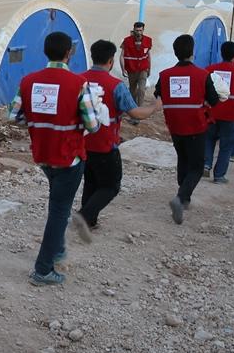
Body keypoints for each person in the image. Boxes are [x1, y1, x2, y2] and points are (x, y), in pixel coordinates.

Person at [19, 31, 100, 286]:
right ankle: (43, 269)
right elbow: (92, 124)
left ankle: (58, 250)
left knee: (57, 206)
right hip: (69, 157)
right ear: (69, 53)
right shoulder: (78, 83)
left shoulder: (28, 81)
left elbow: (14, 114)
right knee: (58, 211)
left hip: (43, 154)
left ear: (46, 51)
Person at [77, 39, 160, 231]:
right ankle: (84, 216)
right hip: (105, 143)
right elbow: (135, 113)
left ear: (92, 56)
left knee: (91, 181)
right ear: (111, 61)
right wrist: (154, 108)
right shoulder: (116, 85)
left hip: (82, 142)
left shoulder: (78, 80)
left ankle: (90, 221)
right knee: (110, 186)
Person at [157, 34, 221, 224]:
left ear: (175, 53)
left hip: (175, 126)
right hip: (196, 126)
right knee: (197, 166)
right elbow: (214, 100)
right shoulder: (203, 75)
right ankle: (180, 197)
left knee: (183, 159)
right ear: (192, 52)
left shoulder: (164, 75)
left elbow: (158, 94)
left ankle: (184, 198)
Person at [203, 41, 234, 183]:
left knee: (209, 139)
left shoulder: (209, 69)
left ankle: (206, 164)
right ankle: (219, 175)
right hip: (231, 113)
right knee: (226, 145)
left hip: (211, 111)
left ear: (221, 53)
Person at [119, 21, 152, 116]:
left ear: (143, 30)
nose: (138, 32)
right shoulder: (127, 41)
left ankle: (139, 110)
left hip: (143, 69)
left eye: (140, 30)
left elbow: (149, 55)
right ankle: (133, 109)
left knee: (141, 89)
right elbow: (121, 56)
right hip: (131, 69)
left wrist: (150, 68)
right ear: (133, 30)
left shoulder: (148, 40)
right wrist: (123, 68)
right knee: (132, 90)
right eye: (137, 30)